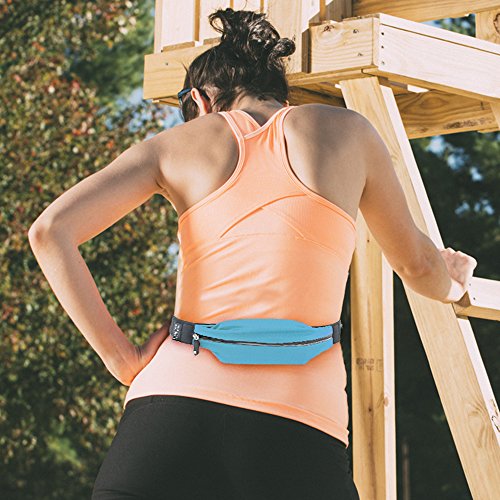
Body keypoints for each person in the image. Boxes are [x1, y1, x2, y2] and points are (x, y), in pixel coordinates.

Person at [28, 7, 477, 500]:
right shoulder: (350, 132)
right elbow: (417, 265)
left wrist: (123, 359)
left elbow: (50, 231)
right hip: (299, 425)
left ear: (200, 100)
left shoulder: (174, 146)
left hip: (169, 413)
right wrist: (454, 279)